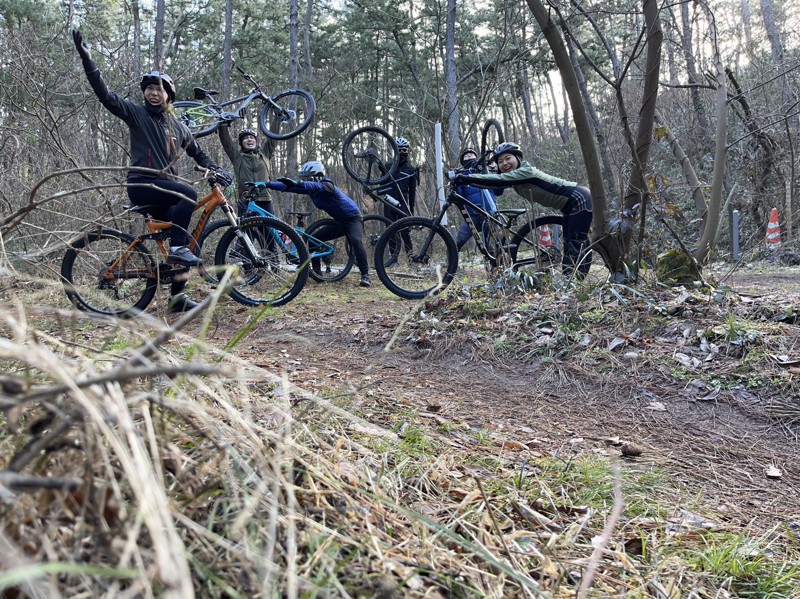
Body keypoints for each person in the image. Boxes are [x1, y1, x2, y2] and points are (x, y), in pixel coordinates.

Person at [72, 30, 232, 313]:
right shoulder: (137, 114)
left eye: (160, 89)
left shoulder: (179, 128)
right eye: (149, 89)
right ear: (144, 93)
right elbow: (105, 96)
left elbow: (199, 152)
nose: (154, 93)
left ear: (169, 95)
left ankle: (177, 298)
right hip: (143, 183)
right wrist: (87, 59)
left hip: (164, 192)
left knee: (186, 240)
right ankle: (176, 250)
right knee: (188, 198)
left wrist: (216, 168)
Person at [452, 142, 592, 277]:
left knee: (576, 244)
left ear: (518, 158)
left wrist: (466, 178)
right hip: (569, 205)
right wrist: (465, 179)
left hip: (578, 199)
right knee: (569, 243)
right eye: (500, 161)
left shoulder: (525, 171)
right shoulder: (515, 178)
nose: (504, 163)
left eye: (508, 158)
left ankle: (574, 283)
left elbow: (496, 180)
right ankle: (570, 282)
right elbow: (493, 184)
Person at [262, 161, 372, 287]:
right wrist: (266, 184)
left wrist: (300, 183)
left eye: (307, 178)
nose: (305, 180)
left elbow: (317, 187)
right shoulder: (311, 190)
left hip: (353, 219)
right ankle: (316, 272)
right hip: (339, 222)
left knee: (356, 240)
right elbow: (288, 187)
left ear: (317, 176)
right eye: (304, 178)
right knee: (314, 240)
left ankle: (365, 275)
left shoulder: (328, 185)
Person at [452, 147, 503, 251]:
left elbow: (499, 192)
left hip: (491, 213)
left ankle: (500, 259)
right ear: (463, 161)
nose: (469, 155)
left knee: (500, 240)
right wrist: (456, 182)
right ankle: (452, 263)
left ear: (477, 157)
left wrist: (500, 176)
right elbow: (459, 196)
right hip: (472, 215)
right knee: (458, 241)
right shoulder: (461, 176)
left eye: (471, 154)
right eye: (466, 155)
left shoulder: (485, 171)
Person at [218, 127, 275, 217]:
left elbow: (273, 137)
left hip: (265, 198)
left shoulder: (265, 153)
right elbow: (226, 143)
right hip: (246, 199)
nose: (249, 139)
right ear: (241, 143)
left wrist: (278, 117)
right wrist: (222, 126)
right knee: (246, 230)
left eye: (252, 137)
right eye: (246, 138)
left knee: (270, 229)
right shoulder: (237, 157)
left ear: (256, 142)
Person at [377, 136, 418, 255]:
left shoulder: (411, 169)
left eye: (404, 150)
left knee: (405, 231)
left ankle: (410, 258)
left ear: (408, 151)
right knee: (391, 231)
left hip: (403, 201)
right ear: (395, 151)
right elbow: (381, 183)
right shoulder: (388, 166)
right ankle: (393, 259)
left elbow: (412, 191)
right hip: (389, 201)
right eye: (399, 150)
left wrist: (411, 209)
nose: (402, 152)